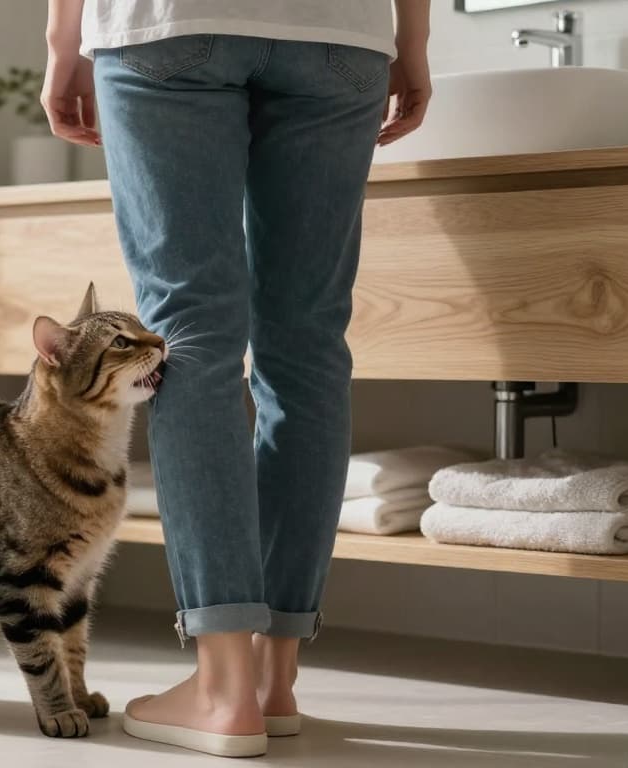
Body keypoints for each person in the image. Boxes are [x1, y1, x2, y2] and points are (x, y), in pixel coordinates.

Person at [41, 0, 432, 758]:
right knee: (309, 346)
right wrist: (410, 40)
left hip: (168, 26)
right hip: (341, 37)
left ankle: (222, 691)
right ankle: (273, 680)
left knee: (189, 341)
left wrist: (65, 38)